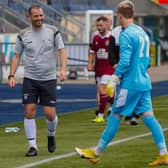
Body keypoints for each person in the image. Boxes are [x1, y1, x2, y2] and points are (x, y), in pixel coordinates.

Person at [75, 0, 168, 166]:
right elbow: (147, 60)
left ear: (119, 15)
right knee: (148, 116)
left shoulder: (125, 34)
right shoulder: (142, 32)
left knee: (115, 114)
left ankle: (96, 153)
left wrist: (115, 77)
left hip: (130, 84)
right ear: (132, 14)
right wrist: (134, 68)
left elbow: (124, 60)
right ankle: (164, 153)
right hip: (144, 82)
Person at [8, 5, 67, 157]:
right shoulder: (23, 34)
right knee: (29, 111)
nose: (40, 18)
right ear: (29, 17)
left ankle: (51, 134)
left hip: (48, 79)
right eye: (36, 16)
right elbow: (16, 56)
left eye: (41, 15)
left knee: (50, 114)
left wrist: (62, 69)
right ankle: (32, 146)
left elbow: (62, 51)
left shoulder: (53, 31)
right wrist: (11, 75)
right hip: (30, 78)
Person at [87, 16, 117, 123]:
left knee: (102, 89)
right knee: (108, 93)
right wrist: (90, 63)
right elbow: (92, 51)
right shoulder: (95, 36)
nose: (99, 27)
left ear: (107, 25)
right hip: (99, 69)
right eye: (97, 25)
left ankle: (100, 116)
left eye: (101, 25)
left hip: (110, 68)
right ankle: (113, 107)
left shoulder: (113, 37)